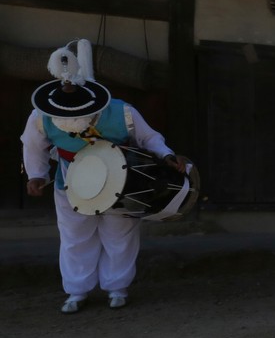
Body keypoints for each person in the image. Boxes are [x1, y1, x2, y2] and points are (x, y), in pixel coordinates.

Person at [21, 39, 189, 313]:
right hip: (70, 181)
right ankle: (76, 291)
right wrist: (36, 174)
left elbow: (148, 138)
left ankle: (117, 287)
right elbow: (32, 145)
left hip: (122, 180)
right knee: (75, 236)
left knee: (119, 234)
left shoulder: (122, 111)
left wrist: (166, 155)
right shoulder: (41, 116)